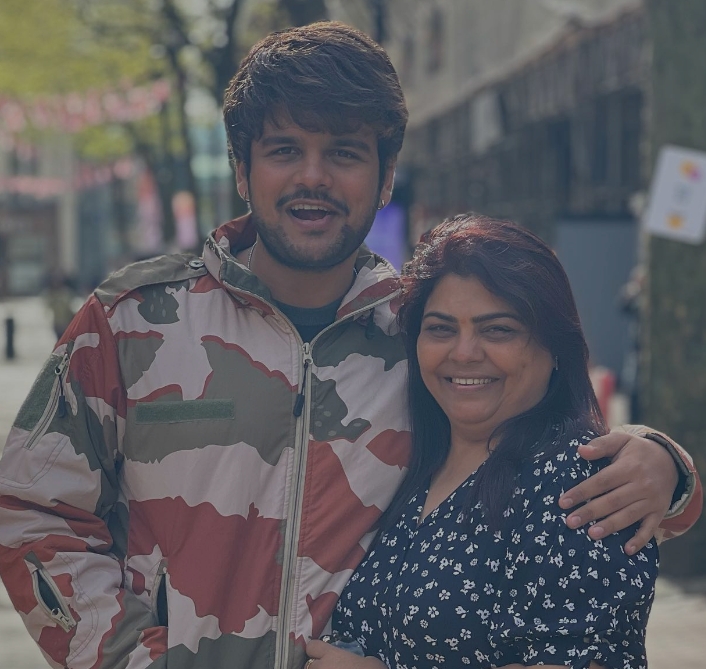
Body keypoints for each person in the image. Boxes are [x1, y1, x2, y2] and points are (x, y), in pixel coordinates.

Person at [0, 22, 700, 669]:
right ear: (244, 171)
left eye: (343, 152)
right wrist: (129, 656)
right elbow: (30, 503)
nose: (314, 177)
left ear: (385, 177)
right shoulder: (130, 322)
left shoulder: (425, 334)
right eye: (284, 150)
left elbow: (565, 473)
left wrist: (668, 466)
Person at [309, 215, 660, 669]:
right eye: (440, 328)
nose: (464, 352)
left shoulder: (580, 484)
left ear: (555, 347)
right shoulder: (403, 461)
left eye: (498, 330)